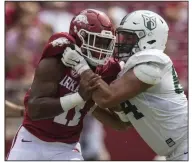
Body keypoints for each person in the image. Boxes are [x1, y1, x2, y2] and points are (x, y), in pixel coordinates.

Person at [61, 10, 188, 160]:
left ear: (150, 39)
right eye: (122, 36)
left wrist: (81, 66)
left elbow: (107, 99)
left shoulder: (153, 61)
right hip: (176, 150)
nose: (121, 43)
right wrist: (85, 101)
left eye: (129, 38)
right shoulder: (130, 70)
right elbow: (121, 123)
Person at [7, 9, 131, 160]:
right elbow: (34, 110)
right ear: (79, 37)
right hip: (31, 141)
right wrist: (79, 98)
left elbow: (122, 124)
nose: (101, 48)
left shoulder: (108, 69)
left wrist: (96, 105)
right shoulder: (59, 57)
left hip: (67, 147)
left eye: (106, 42)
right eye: (96, 40)